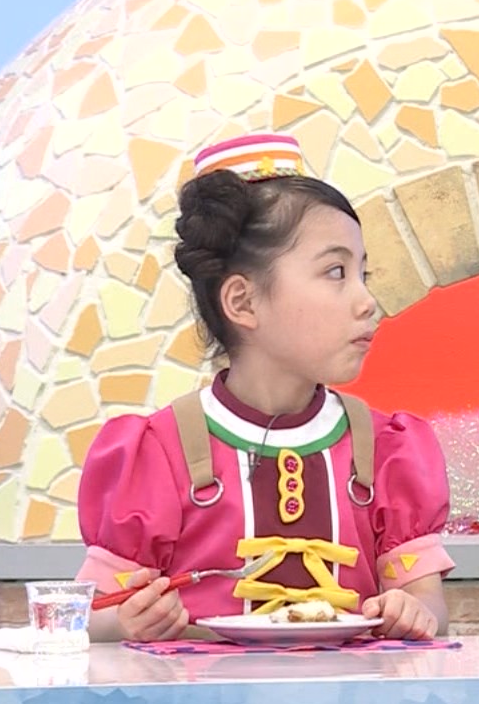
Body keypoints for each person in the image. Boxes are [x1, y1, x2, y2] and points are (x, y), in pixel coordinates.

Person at [77, 133, 453, 642]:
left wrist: (412, 610)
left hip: (354, 694)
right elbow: (89, 619)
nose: (367, 300)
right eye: (336, 272)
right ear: (243, 302)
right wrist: (124, 623)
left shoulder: (385, 449)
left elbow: (430, 605)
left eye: (364, 274)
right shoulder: (157, 453)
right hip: (205, 696)